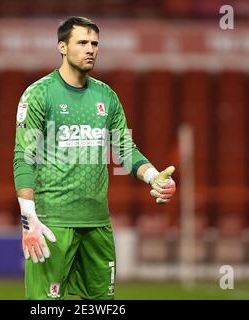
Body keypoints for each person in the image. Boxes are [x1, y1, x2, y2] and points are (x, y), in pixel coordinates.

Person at [13, 16, 176, 300]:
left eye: (95, 43)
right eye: (82, 43)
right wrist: (29, 219)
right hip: (53, 223)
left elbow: (124, 149)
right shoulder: (39, 94)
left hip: (98, 223)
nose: (91, 49)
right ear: (62, 47)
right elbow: (23, 157)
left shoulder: (106, 96)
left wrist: (153, 176)